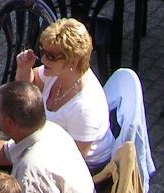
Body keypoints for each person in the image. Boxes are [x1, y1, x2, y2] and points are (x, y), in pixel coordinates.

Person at [14, 19, 111, 169]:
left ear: (73, 61)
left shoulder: (85, 108)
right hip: (49, 146)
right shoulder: (58, 72)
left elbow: (74, 161)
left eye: (51, 56)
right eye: (43, 51)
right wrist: (24, 68)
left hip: (86, 168)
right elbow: (25, 89)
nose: (43, 59)